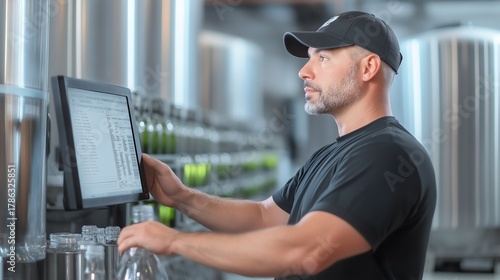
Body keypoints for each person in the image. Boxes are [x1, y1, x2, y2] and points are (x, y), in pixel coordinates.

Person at [117, 11, 437, 279]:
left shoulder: (387, 154)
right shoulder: (334, 153)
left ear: (368, 68)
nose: (304, 71)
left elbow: (307, 249)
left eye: (323, 58)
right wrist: (182, 198)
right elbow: (262, 217)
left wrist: (174, 241)